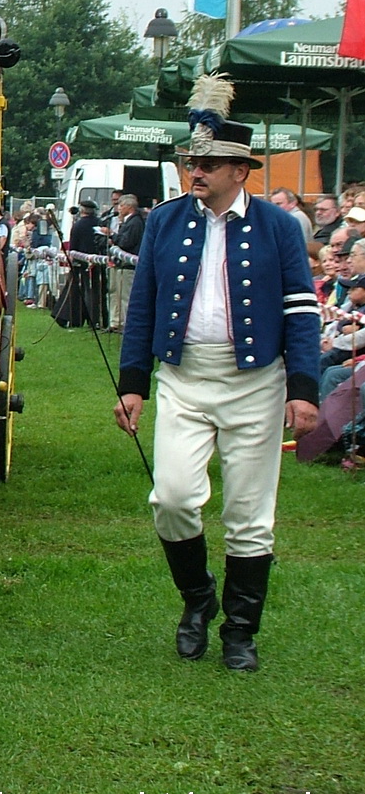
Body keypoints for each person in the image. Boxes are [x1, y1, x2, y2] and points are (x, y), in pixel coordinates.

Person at [114, 75, 319, 671]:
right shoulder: (167, 221)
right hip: (185, 379)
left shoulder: (280, 228)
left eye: (207, 163)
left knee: (249, 518)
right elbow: (144, 305)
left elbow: (302, 310)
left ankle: (241, 633)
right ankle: (198, 599)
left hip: (257, 383)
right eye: (190, 161)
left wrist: (303, 390)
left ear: (240, 171)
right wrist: (134, 385)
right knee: (172, 498)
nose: (193, 171)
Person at [55, 199, 107, 329]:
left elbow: (73, 245)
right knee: (97, 291)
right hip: (98, 262)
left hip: (81, 263)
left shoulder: (78, 225)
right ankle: (97, 319)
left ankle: (80, 317)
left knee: (85, 292)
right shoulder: (99, 223)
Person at [107, 194, 145, 331]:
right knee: (116, 294)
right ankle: (116, 321)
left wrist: (112, 235)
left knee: (125, 297)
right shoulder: (128, 221)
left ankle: (126, 324)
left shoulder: (135, 222)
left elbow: (126, 242)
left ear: (129, 207)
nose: (119, 209)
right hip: (121, 265)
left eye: (121, 206)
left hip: (128, 265)